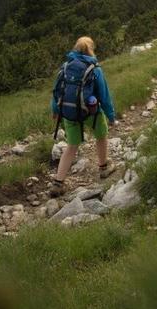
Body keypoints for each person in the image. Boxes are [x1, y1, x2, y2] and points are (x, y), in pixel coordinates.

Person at [49, 36, 117, 197]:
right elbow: (104, 95)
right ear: (91, 49)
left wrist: (55, 110)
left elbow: (57, 90)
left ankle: (58, 183)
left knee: (72, 146)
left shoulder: (65, 67)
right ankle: (103, 167)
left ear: (75, 48)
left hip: (69, 113)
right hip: (90, 112)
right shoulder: (94, 68)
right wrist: (111, 116)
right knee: (101, 135)